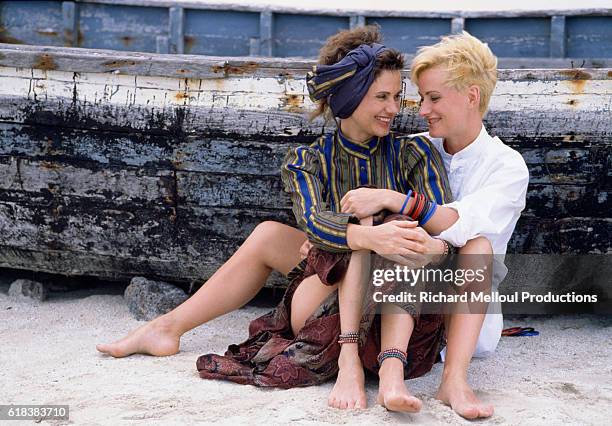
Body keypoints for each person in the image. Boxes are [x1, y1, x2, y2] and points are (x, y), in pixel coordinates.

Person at [97, 25, 458, 413]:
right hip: (327, 301)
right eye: (381, 97)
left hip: (397, 306)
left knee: (385, 222)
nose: (393, 108)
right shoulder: (308, 161)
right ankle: (165, 328)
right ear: (348, 98)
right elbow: (313, 222)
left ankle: (371, 363)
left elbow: (442, 230)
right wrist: (364, 239)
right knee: (276, 234)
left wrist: (374, 230)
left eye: (396, 97)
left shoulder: (413, 154)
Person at [339, 31, 530, 419]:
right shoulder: (417, 148)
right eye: (422, 98)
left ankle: (454, 379)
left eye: (434, 98)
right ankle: (392, 370)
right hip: (397, 292)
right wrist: (335, 232)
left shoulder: (507, 167)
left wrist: (397, 199)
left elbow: (460, 227)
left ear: (472, 96)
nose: (422, 109)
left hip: (462, 314)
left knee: (477, 248)